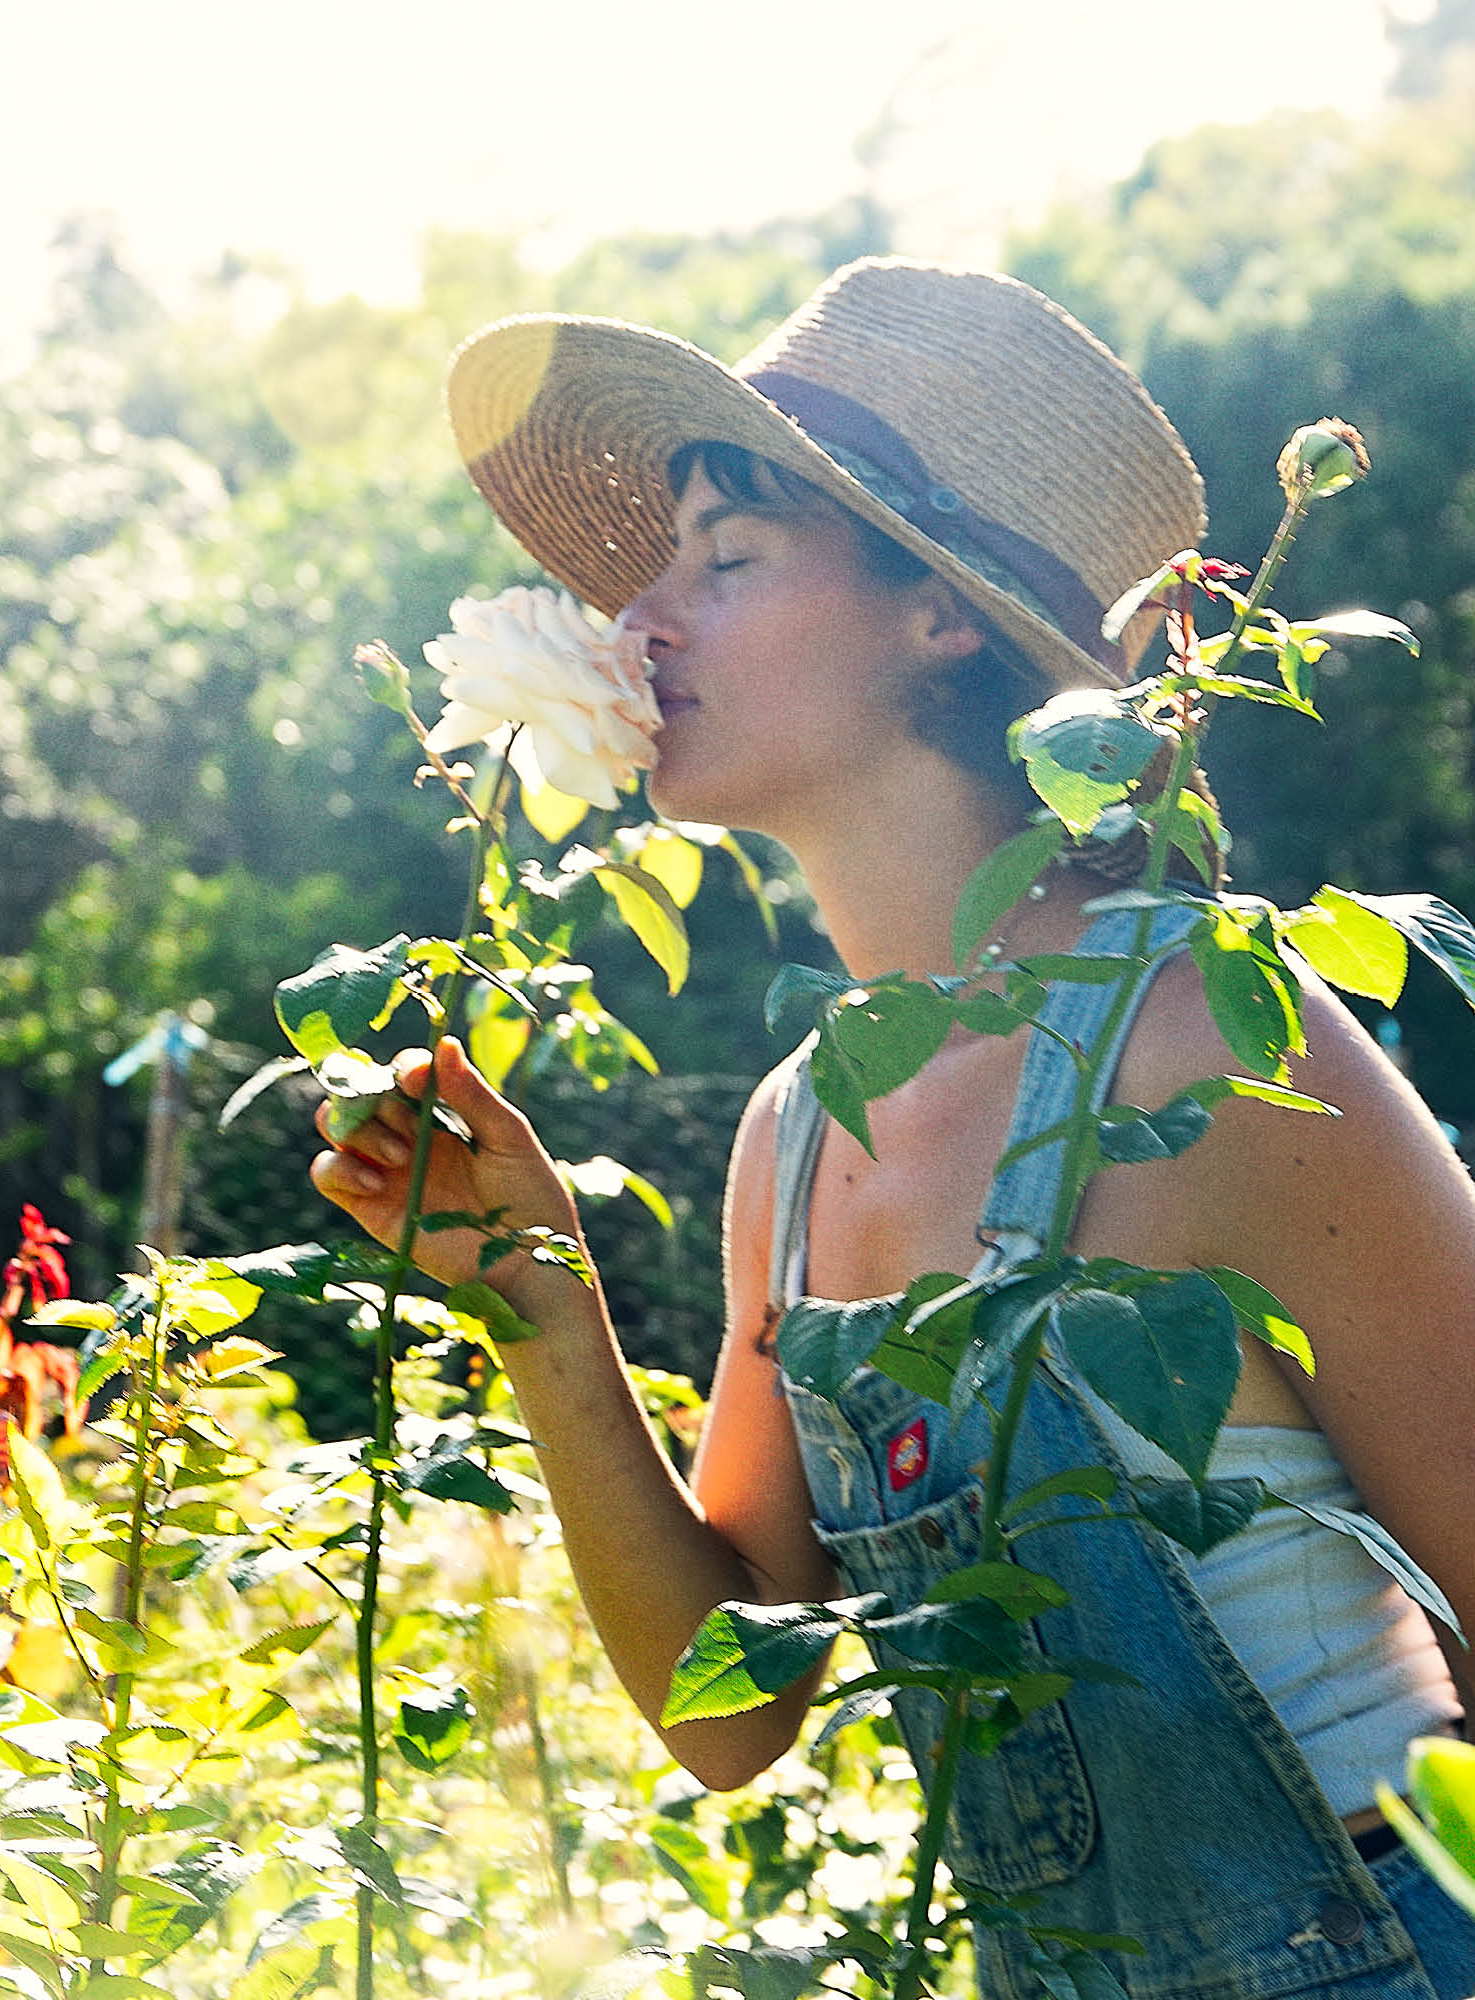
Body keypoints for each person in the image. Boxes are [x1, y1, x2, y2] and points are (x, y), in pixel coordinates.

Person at [311, 259, 1475, 1998]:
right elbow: (735, 1703)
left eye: (728, 558)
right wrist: (543, 1302)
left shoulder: (1203, 1043)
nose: (642, 621)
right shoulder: (796, 1135)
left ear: (940, 613)